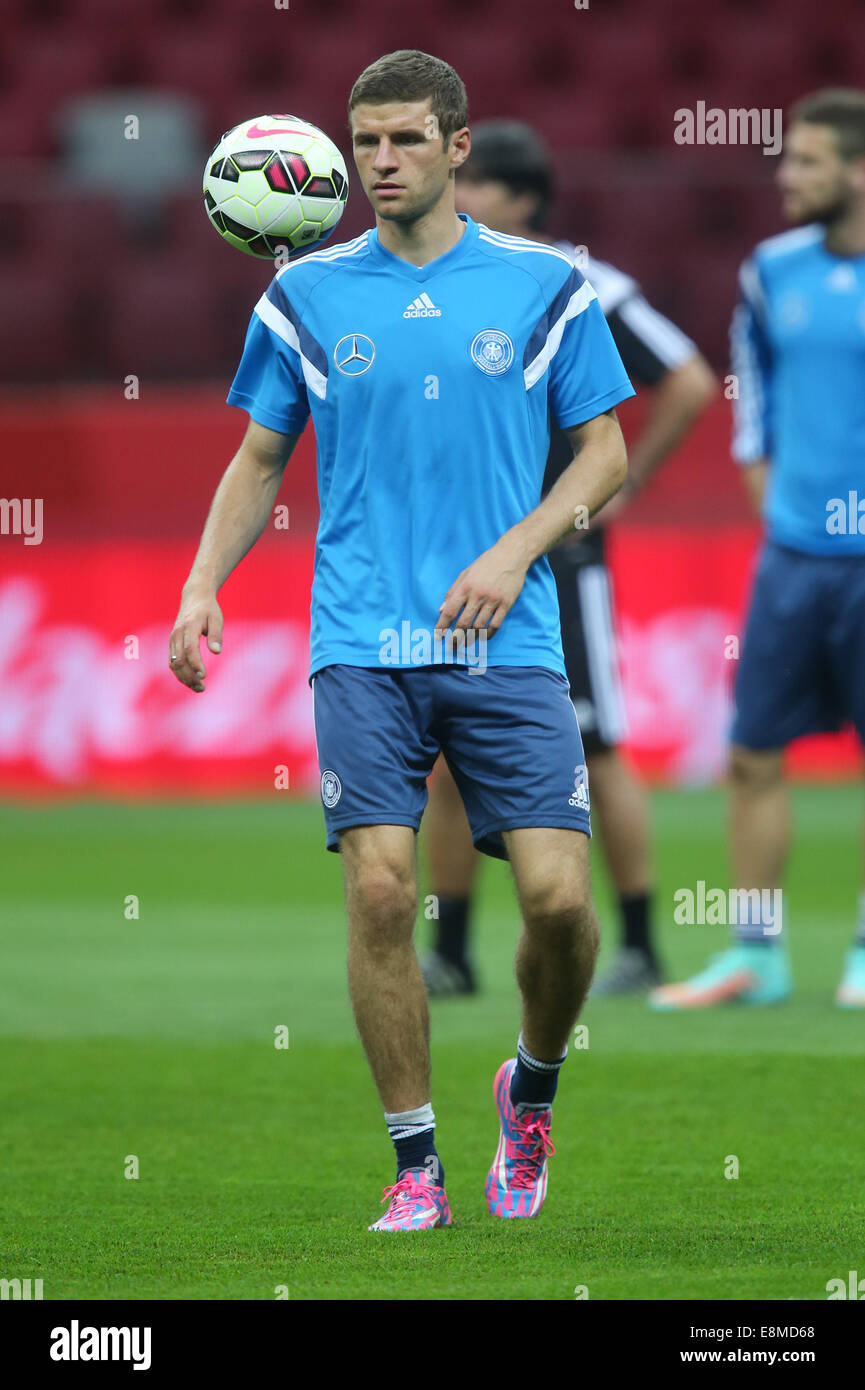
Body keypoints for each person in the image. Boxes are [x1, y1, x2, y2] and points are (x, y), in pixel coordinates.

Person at [169, 50, 634, 1229]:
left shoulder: (545, 287)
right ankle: (417, 1166)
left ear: (458, 145)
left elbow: (606, 454)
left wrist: (515, 548)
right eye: (366, 141)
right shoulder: (305, 295)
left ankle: (528, 1091)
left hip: (509, 638)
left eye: (407, 140)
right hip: (361, 637)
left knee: (560, 905)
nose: (382, 161)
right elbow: (261, 456)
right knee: (380, 891)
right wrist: (199, 585)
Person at [421, 121, 716, 1000]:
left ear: (522, 199)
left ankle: (634, 944)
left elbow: (692, 381)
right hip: (457, 553)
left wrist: (617, 493)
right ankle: (452, 952)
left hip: (557, 561)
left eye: (474, 183)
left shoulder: (578, 281)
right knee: (444, 758)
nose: (457, 196)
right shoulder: (443, 282)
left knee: (592, 749)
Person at [650, 89, 865, 1011]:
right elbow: (753, 408)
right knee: (750, 754)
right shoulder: (770, 270)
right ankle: (756, 955)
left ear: (856, 172)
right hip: (792, 554)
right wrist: (773, 507)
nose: (787, 175)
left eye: (808, 161)